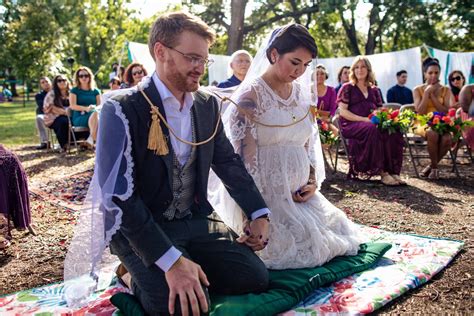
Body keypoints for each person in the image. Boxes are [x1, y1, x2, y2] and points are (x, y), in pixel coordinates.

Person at [64, 11, 270, 316]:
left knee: (254, 278)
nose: (200, 68)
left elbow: (228, 163)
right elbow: (118, 198)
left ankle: (186, 264)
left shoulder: (207, 103)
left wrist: (258, 212)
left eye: (204, 60)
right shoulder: (119, 108)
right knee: (178, 308)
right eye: (192, 58)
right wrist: (170, 261)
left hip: (196, 218)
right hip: (140, 228)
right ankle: (128, 274)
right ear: (161, 52)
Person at [211, 24, 361, 271]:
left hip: (300, 196)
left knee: (337, 236)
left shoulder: (302, 94)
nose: (300, 71)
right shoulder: (250, 96)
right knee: (292, 250)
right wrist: (253, 213)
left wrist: (312, 181)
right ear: (273, 55)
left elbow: (307, 144)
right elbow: (240, 163)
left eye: (306, 65)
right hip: (265, 200)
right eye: (294, 62)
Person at [337, 56, 405, 185]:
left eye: (363, 67)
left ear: (368, 70)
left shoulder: (375, 90)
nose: (359, 70)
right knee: (373, 129)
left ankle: (393, 171)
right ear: (353, 70)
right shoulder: (347, 87)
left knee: (394, 128)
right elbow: (343, 111)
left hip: (371, 122)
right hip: (351, 123)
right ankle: (382, 172)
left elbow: (380, 109)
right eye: (356, 67)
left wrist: (382, 117)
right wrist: (364, 119)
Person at [413, 57, 453, 179]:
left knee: (447, 138)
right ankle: (435, 169)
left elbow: (446, 111)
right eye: (430, 73)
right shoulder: (417, 89)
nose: (433, 75)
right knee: (433, 134)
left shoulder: (446, 89)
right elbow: (419, 111)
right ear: (425, 74)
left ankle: (430, 166)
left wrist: (433, 97)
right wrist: (426, 93)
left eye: (436, 72)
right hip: (423, 121)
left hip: (441, 121)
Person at [69, 66, 101, 147]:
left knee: (97, 114)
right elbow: (72, 106)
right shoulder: (74, 90)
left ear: (90, 77)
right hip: (80, 116)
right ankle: (95, 142)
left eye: (86, 75)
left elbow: (100, 106)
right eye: (81, 76)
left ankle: (91, 140)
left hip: (94, 114)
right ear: (78, 78)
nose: (84, 78)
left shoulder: (96, 91)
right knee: (97, 117)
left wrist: (93, 107)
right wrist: (86, 108)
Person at [43, 75, 70, 151]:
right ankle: (64, 145)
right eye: (59, 81)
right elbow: (51, 108)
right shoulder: (52, 94)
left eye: (64, 80)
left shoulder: (71, 93)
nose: (62, 82)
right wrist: (65, 112)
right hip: (54, 118)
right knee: (63, 121)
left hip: (70, 116)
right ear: (55, 83)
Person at [34, 77, 51, 150]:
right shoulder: (39, 95)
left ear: (50, 82)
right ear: (40, 85)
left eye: (46, 81)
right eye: (42, 82)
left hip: (58, 113)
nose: (45, 84)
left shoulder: (57, 92)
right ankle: (44, 142)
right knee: (39, 118)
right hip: (45, 114)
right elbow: (43, 106)